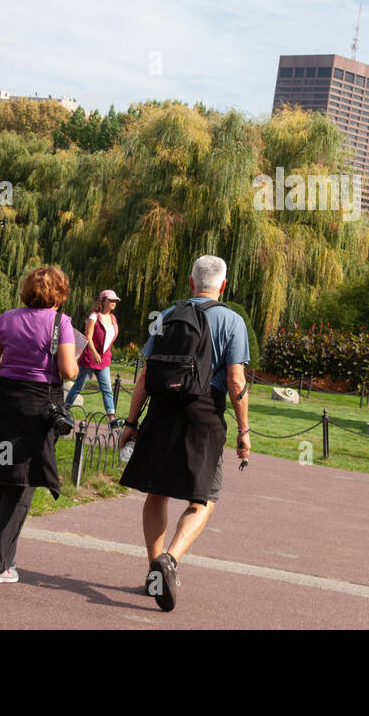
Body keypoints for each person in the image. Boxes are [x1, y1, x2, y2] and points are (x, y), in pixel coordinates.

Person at [117, 255, 251, 612]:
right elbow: (236, 380)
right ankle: (171, 560)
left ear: (191, 283)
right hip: (204, 414)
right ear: (223, 286)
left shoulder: (165, 316)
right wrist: (244, 431)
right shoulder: (232, 321)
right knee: (205, 496)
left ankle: (154, 568)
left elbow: (144, 376)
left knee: (157, 492)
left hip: (162, 411)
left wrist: (131, 424)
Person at [0, 266, 79, 585]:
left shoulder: (6, 319)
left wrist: (18, 364)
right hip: (39, 405)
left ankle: (3, 560)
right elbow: (69, 371)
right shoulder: (62, 323)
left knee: (9, 474)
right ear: (59, 293)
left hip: (5, 402)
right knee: (25, 479)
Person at [65, 290, 122, 427]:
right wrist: (95, 352)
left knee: (107, 388)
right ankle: (64, 410)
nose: (114, 303)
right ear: (102, 301)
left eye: (115, 301)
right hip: (90, 358)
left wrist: (103, 353)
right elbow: (88, 337)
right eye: (111, 300)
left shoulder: (113, 318)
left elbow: (109, 338)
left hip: (104, 360)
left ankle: (111, 419)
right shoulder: (94, 316)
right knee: (79, 386)